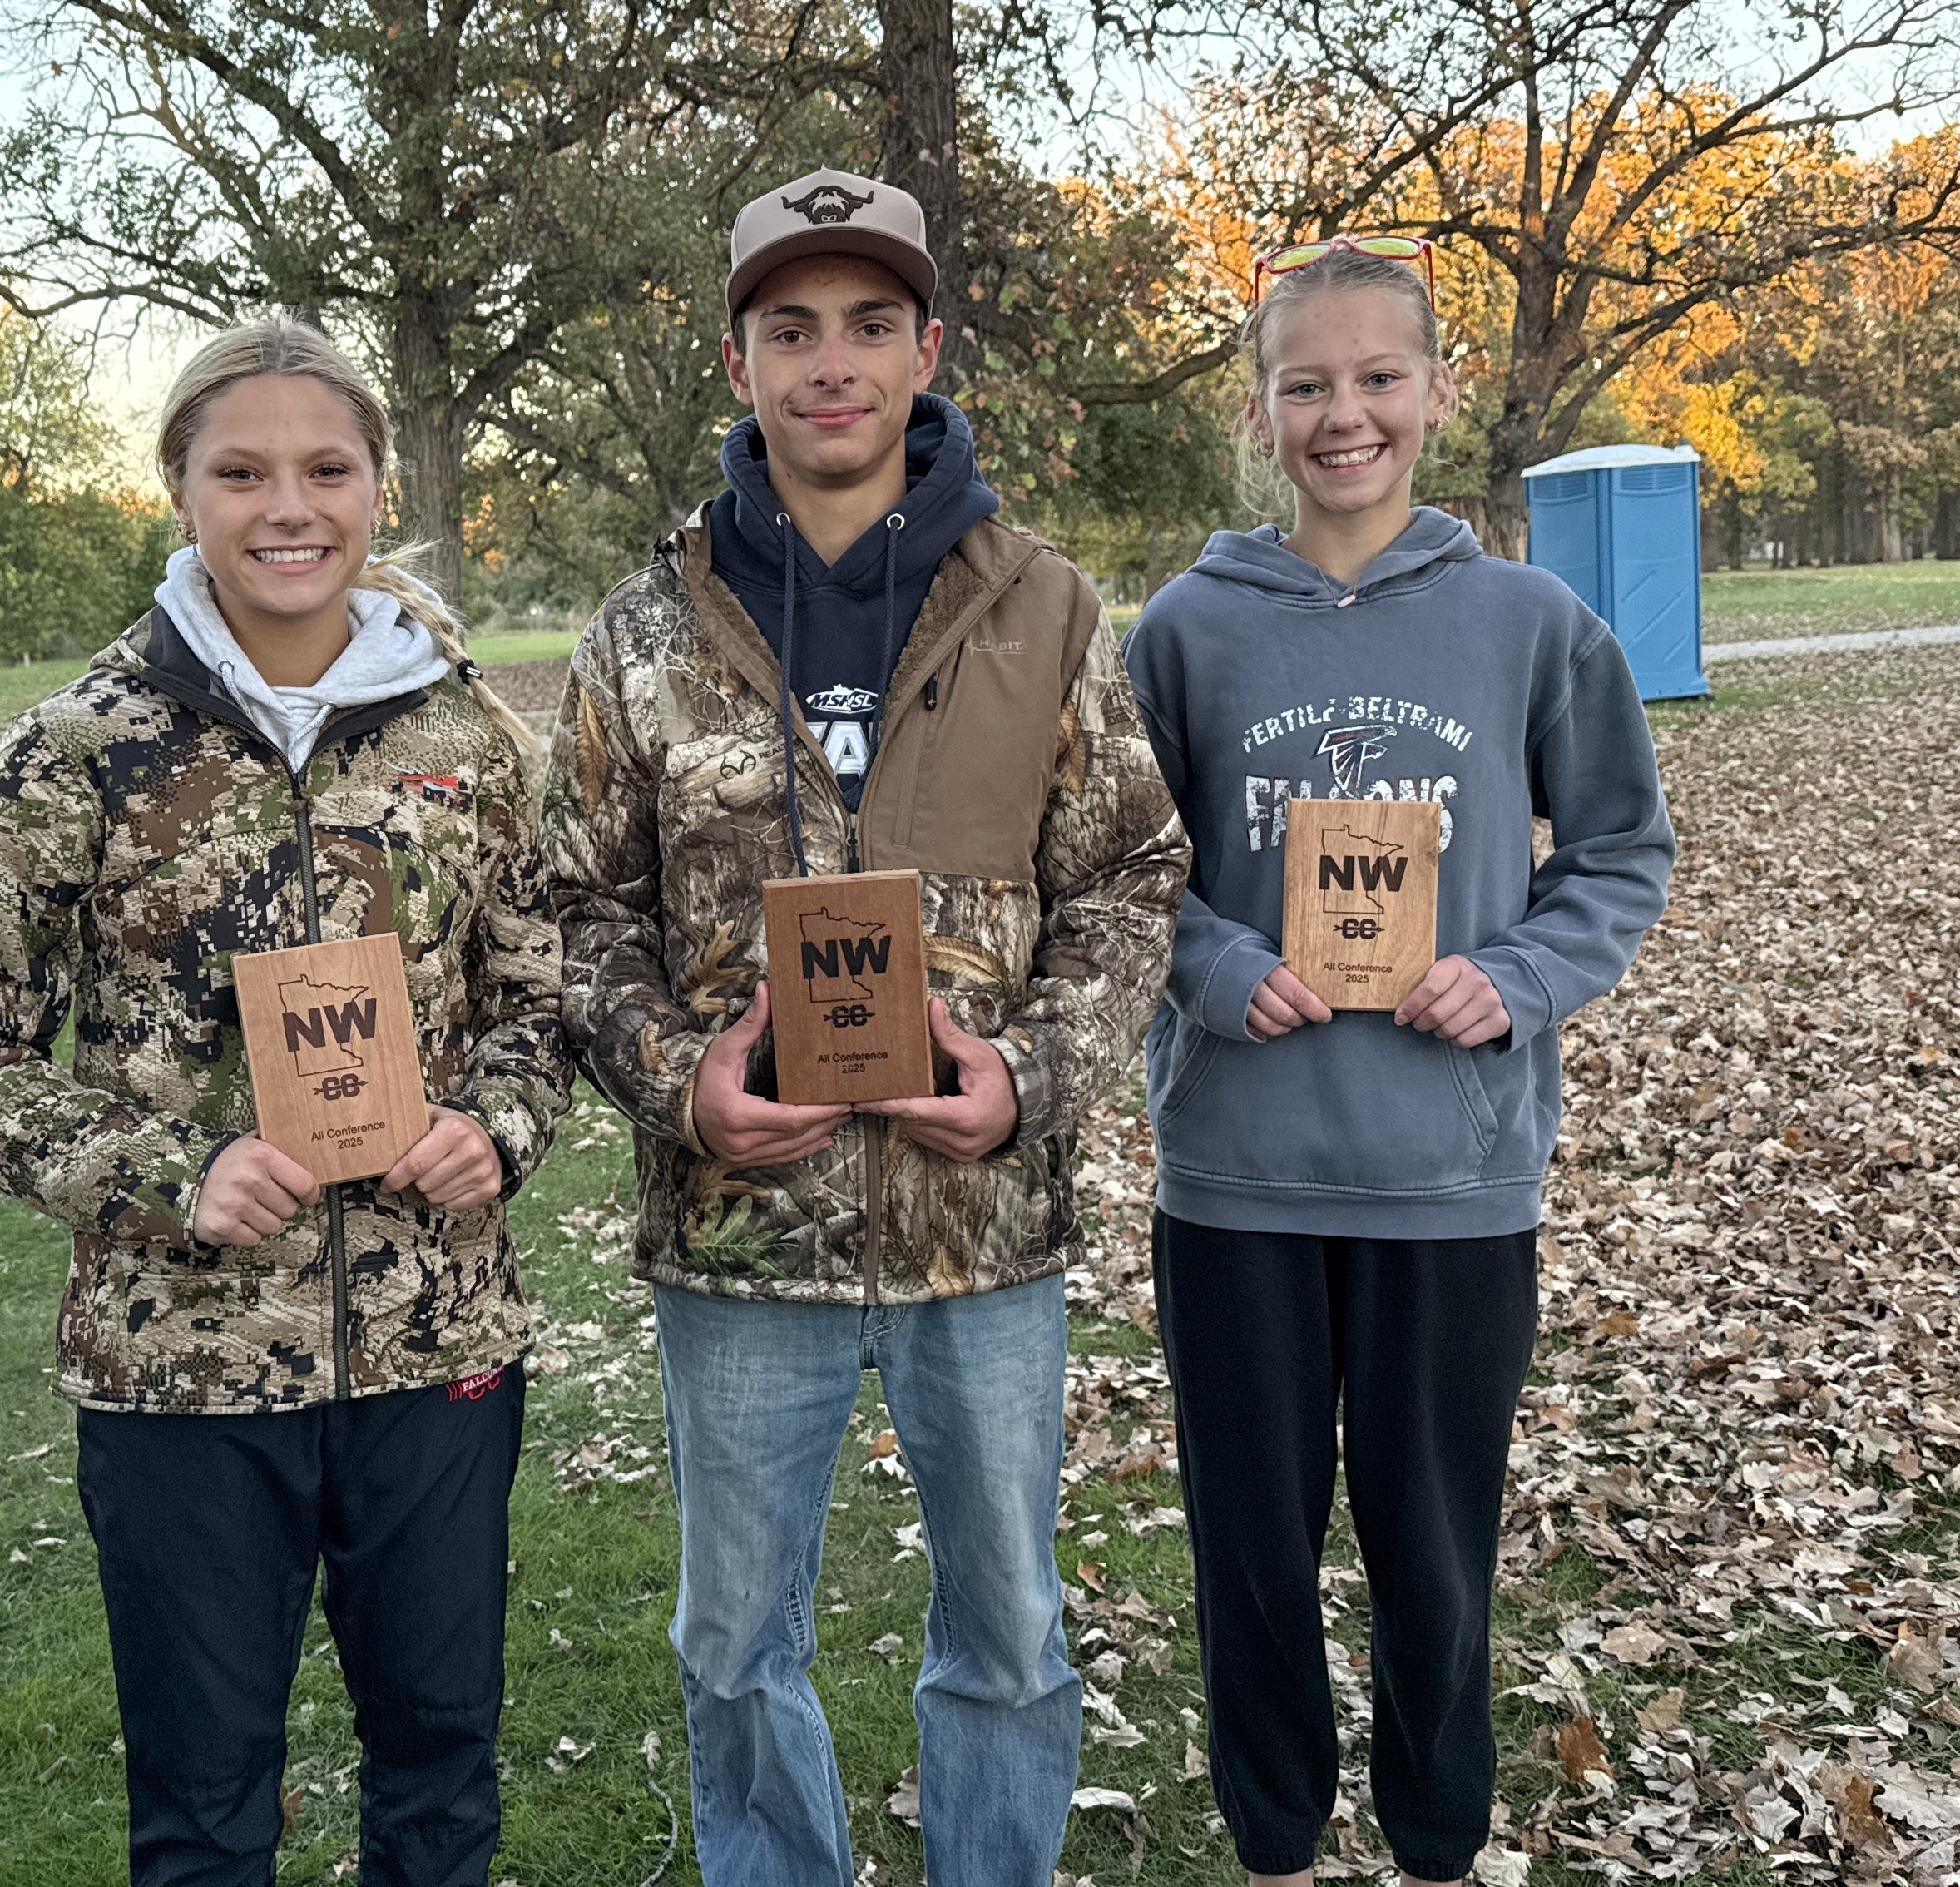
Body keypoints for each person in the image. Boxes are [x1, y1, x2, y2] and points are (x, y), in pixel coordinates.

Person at [540, 168, 1190, 1887]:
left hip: (981, 1229)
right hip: (741, 1236)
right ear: (739, 362)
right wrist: (681, 1084)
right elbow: (571, 910)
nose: (831, 363)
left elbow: (1133, 876)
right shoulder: (645, 631)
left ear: (926, 352)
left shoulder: (1042, 606)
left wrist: (1031, 1079)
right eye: (791, 329)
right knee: (733, 1644)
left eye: (869, 325)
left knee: (1012, 1634)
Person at [0, 316, 572, 1887]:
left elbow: (542, 998)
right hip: (181, 1370)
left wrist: (497, 1126)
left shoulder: (468, 736)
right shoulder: (83, 747)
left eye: (327, 470)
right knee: (206, 1808)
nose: (290, 508)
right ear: (181, 491)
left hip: (433, 1346)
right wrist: (167, 1174)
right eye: (243, 473)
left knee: (440, 1772)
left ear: (377, 487)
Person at [1120, 236, 1676, 1886]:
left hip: (1452, 1176)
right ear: (1261, 409)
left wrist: (1514, 979)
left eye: (1378, 378)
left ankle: (1437, 1844)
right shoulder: (1187, 631)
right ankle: (1278, 1849)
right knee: (1253, 1559)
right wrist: (1222, 968)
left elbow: (1621, 853)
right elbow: (1122, 868)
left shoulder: (1530, 625)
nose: (1344, 415)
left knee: (1435, 1555)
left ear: (1439, 389)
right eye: (1307, 385)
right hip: (1240, 1176)